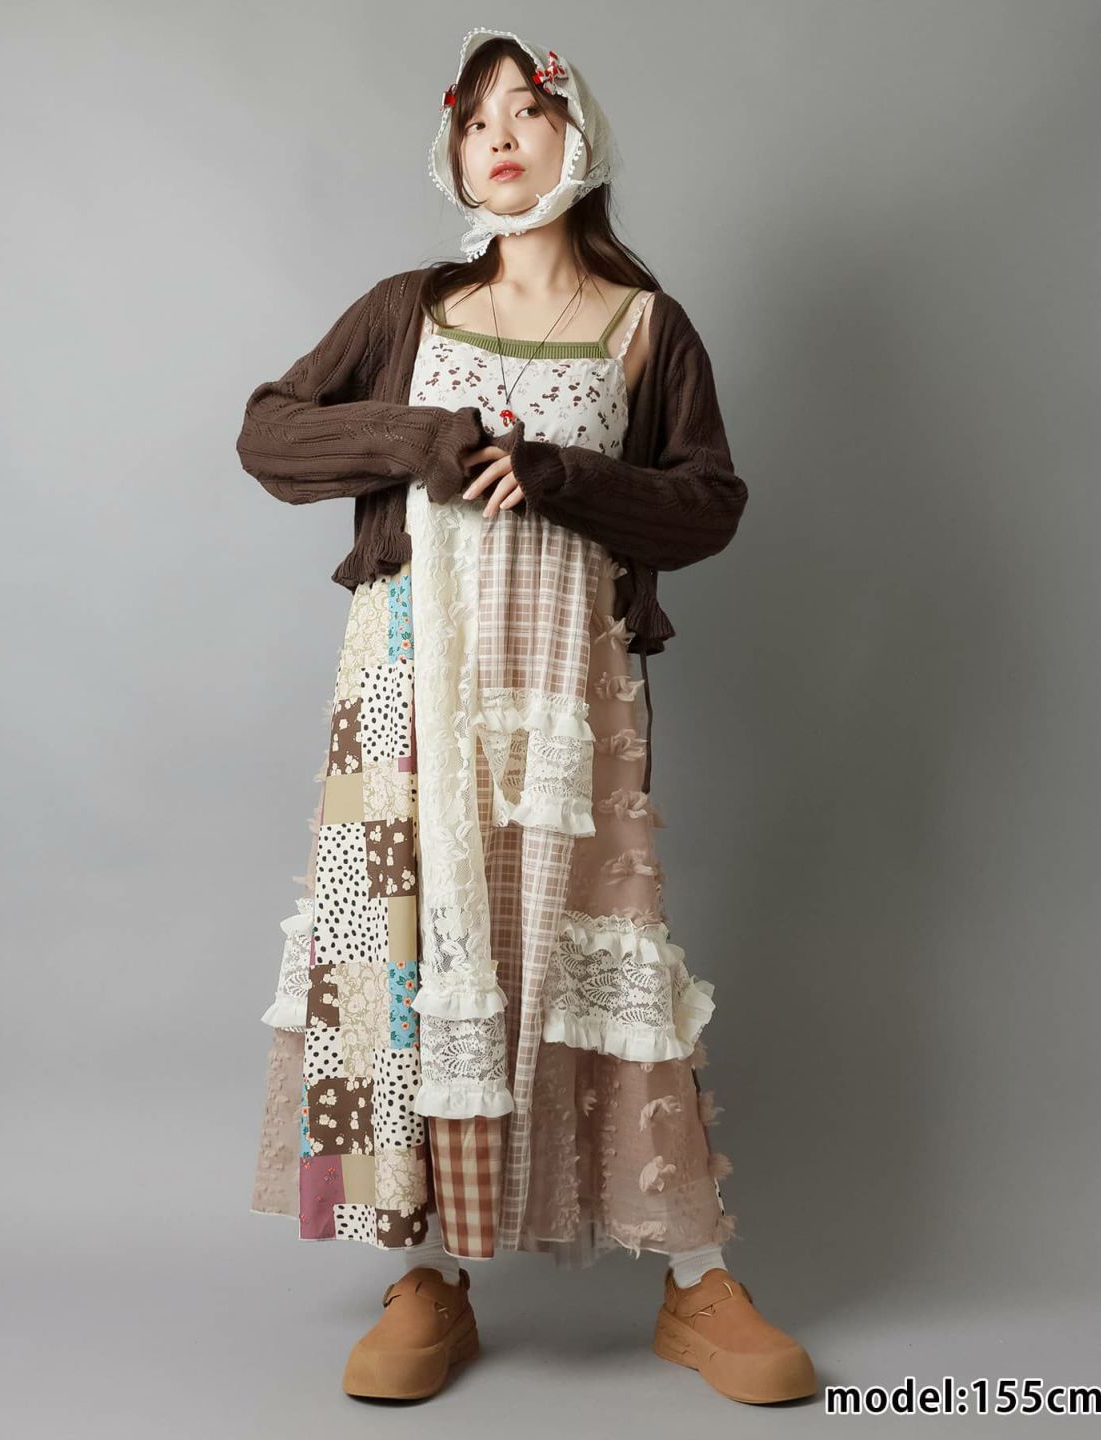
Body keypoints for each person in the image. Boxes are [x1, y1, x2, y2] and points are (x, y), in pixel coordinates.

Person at [237, 27, 817, 1406]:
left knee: (590, 941)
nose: (495, 136)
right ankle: (427, 1271)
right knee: (408, 945)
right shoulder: (408, 310)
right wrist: (421, 441)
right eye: (474, 117)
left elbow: (708, 504)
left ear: (578, 138)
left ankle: (694, 1276)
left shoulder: (645, 326)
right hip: (407, 679)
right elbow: (271, 433)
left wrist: (556, 474)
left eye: (526, 111)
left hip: (570, 693)